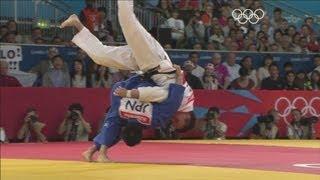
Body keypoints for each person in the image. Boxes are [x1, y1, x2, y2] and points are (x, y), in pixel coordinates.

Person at [60, 0, 194, 113]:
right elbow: (155, 93)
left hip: (145, 65)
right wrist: (128, 94)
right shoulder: (178, 102)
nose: (175, 123)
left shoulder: (182, 100)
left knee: (100, 56)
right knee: (127, 19)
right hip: (153, 59)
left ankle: (77, 23)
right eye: (178, 122)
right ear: (186, 117)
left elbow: (174, 80)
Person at [82, 66, 195, 162]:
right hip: (122, 96)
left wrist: (179, 75)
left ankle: (96, 152)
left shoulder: (162, 116)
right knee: (115, 125)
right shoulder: (161, 116)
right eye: (176, 121)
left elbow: (175, 94)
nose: (173, 120)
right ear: (186, 118)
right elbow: (176, 94)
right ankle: (97, 152)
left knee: (114, 124)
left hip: (125, 93)